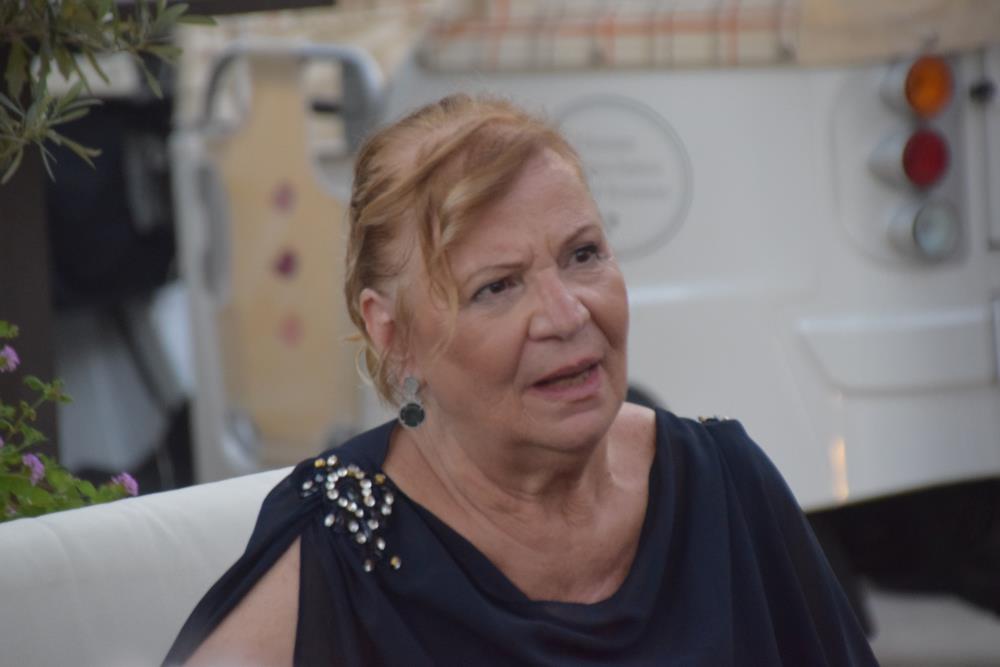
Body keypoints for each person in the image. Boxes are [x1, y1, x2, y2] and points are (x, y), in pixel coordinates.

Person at [164, 94, 877, 666]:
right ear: (393, 334)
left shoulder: (724, 486)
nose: (567, 315)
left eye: (583, 254)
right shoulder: (341, 553)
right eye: (497, 287)